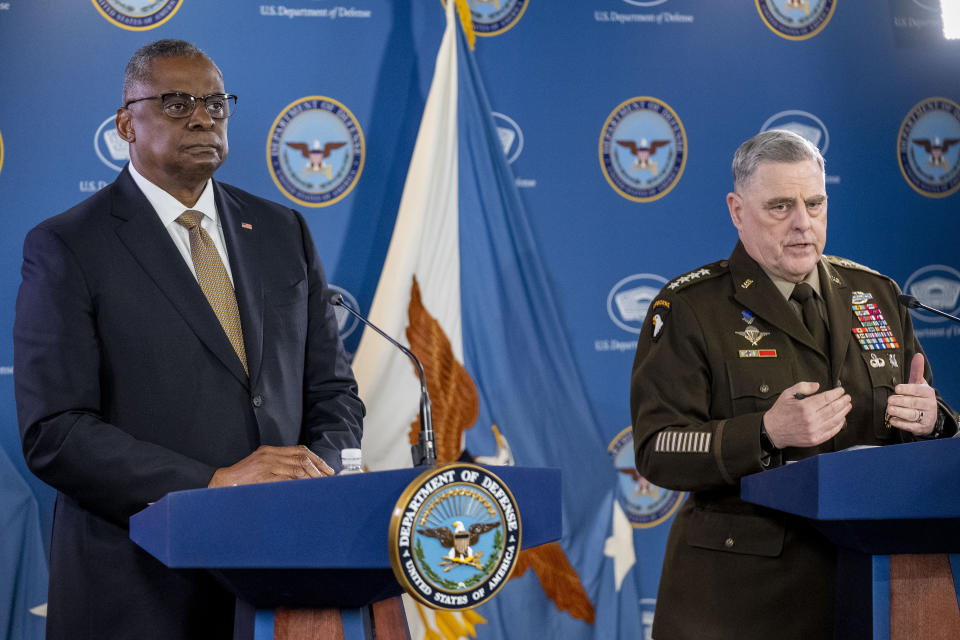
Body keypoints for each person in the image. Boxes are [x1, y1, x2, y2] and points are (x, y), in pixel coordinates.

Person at [13, 40, 364, 639]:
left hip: (280, 576)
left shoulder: (282, 230)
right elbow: (56, 432)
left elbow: (332, 391)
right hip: (140, 583)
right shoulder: (69, 245)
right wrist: (214, 483)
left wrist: (317, 474)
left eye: (215, 103)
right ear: (126, 122)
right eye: (177, 104)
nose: (204, 117)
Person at [630, 129, 957, 640]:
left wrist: (934, 421)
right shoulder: (690, 308)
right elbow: (657, 448)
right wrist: (765, 432)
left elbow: (925, 419)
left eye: (815, 202)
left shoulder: (877, 293)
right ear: (738, 211)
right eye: (780, 206)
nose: (803, 223)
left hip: (873, 588)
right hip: (743, 601)